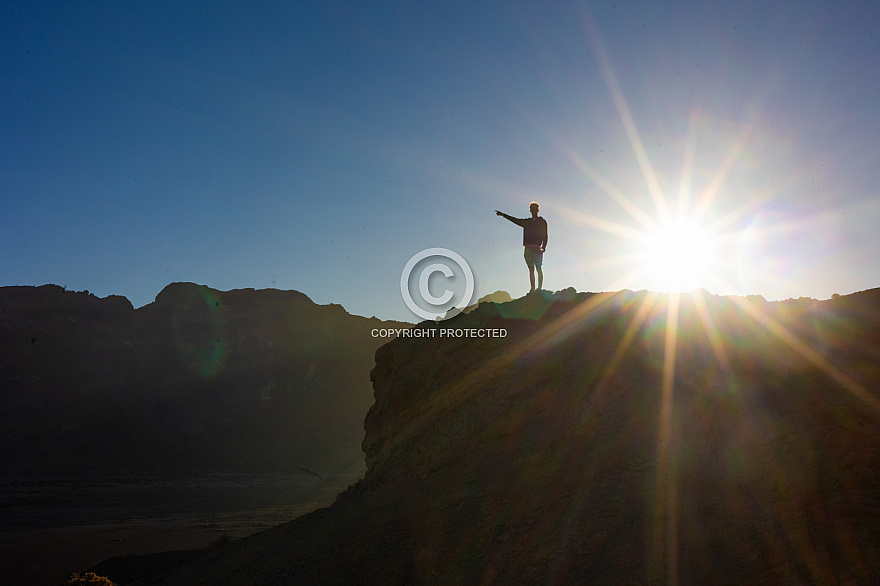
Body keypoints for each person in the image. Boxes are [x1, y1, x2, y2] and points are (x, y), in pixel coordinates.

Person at [496, 202, 548, 292]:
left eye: (534, 209)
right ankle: (532, 288)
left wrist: (544, 246)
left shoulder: (542, 222)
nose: (532, 210)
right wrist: (503, 215)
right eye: (531, 209)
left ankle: (539, 288)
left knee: (538, 268)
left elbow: (545, 235)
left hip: (537, 248)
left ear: (538, 210)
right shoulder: (527, 222)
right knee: (531, 269)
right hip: (527, 248)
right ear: (530, 210)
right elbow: (516, 220)